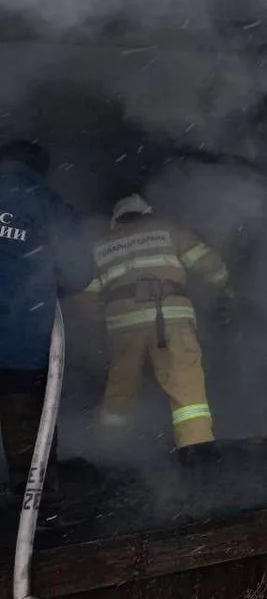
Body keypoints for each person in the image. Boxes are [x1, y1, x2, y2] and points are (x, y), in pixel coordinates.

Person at [81, 193, 233, 457]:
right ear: (147, 212)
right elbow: (209, 265)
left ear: (116, 220)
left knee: (120, 387)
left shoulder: (101, 246)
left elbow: (85, 298)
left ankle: (109, 451)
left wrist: (103, 319)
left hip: (122, 324)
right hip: (169, 317)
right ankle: (196, 450)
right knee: (184, 385)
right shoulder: (168, 230)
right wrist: (222, 285)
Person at [0, 139, 93, 520]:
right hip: (20, 337)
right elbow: (79, 271)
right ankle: (37, 509)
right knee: (26, 420)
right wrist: (48, 285)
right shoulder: (45, 201)